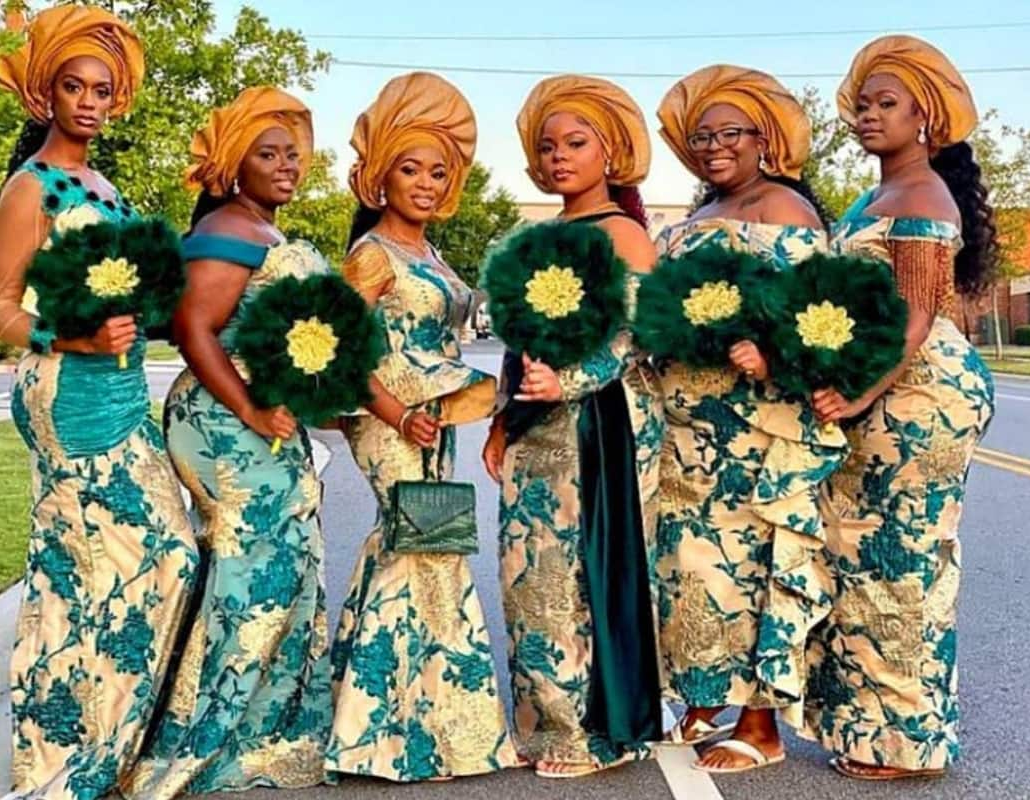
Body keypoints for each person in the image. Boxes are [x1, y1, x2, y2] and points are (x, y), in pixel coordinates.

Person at [0, 7, 198, 798]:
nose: (88, 101)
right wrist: (70, 340)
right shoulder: (29, 187)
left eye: (101, 90)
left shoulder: (106, 188)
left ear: (117, 100)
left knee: (140, 565)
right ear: (48, 94)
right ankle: (67, 761)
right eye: (73, 86)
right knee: (109, 567)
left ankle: (102, 743)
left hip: (121, 388)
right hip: (66, 393)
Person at [123, 87, 334, 795]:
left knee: (289, 562)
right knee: (253, 573)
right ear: (232, 167)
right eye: (267, 155)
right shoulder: (229, 228)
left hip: (265, 416)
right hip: (223, 419)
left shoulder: (265, 231)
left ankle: (265, 733)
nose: (285, 166)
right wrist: (249, 409)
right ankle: (202, 738)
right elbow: (192, 330)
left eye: (292, 155)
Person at [804, 34, 997, 781]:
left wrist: (856, 393)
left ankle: (907, 742)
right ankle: (873, 726)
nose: (866, 116)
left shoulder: (919, 195)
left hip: (916, 394)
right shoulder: (874, 195)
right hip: (883, 386)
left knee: (901, 560)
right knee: (861, 553)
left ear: (926, 118)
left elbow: (914, 320)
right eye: (862, 104)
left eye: (887, 104)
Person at [650, 65, 847, 774]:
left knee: (755, 566)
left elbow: (818, 313)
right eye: (701, 136)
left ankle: (760, 724)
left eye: (729, 133)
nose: (712, 146)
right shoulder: (695, 217)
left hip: (756, 429)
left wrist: (770, 351)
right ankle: (705, 696)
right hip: (687, 430)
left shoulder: (786, 210)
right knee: (692, 570)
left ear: (764, 139)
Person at [326, 72, 517, 782]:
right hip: (390, 419)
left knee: (413, 543)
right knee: (418, 547)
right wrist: (396, 413)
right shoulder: (372, 254)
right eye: (411, 169)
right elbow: (338, 349)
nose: (427, 183)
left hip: (439, 416)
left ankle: (414, 723)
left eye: (439, 171)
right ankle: (383, 738)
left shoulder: (428, 253)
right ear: (380, 178)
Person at [481, 74, 664, 779]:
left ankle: (585, 729)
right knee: (528, 573)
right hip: (535, 423)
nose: (560, 157)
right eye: (548, 146)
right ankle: (541, 722)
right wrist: (504, 421)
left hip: (595, 424)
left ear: (610, 152)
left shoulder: (623, 234)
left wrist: (568, 382)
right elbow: (517, 340)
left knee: (573, 573)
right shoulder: (542, 235)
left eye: (576, 143)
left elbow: (635, 335)